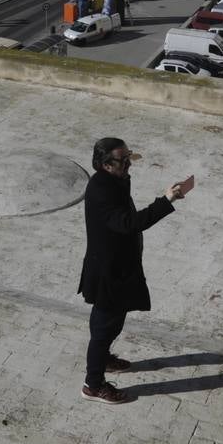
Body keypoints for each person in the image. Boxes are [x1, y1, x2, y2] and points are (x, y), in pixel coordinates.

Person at [78, 137, 193, 404]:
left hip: (120, 267)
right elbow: (129, 223)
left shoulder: (115, 180)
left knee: (112, 321)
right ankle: (93, 384)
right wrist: (166, 200)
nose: (129, 164)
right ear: (106, 165)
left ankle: (103, 359)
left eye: (129, 158)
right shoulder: (101, 190)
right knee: (103, 326)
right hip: (108, 273)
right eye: (123, 160)